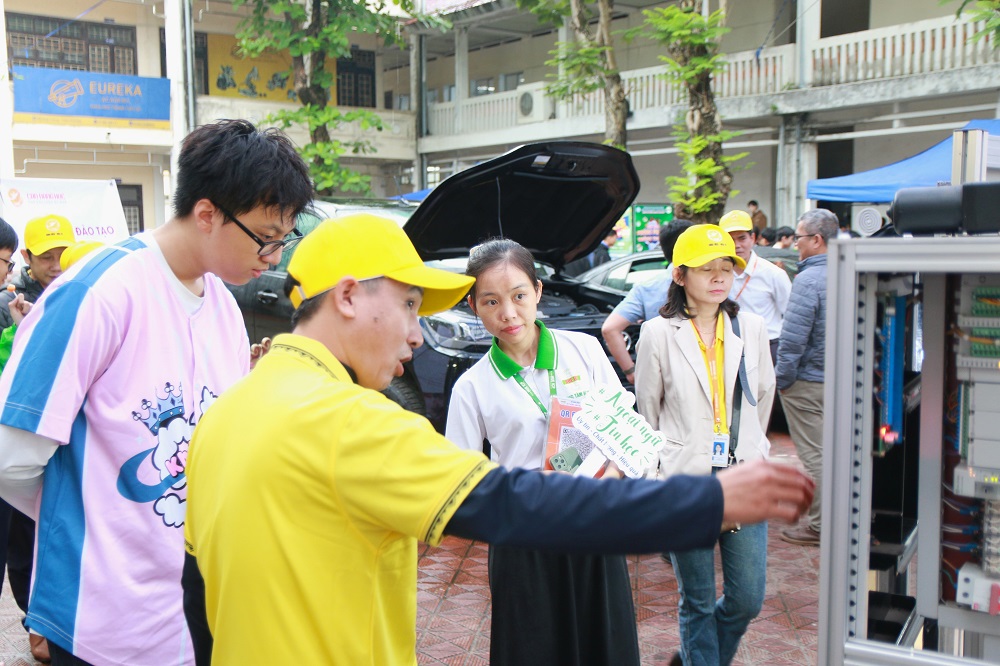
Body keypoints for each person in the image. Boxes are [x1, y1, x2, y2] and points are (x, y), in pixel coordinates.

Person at [181, 214, 814, 665]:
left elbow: (198, 591)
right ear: (348, 296)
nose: (418, 335)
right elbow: (507, 501)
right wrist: (707, 502)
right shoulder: (357, 423)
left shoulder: (224, 415)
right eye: (408, 305)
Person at [0, 119, 313, 666]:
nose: (274, 258)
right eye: (266, 238)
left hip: (192, 612)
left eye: (283, 240)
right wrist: (94, 519)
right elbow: (12, 455)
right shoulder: (98, 292)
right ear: (209, 213)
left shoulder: (222, 306)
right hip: (102, 617)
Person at [446, 238, 639, 665]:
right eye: (491, 301)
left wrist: (609, 481)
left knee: (604, 647)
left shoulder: (584, 351)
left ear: (538, 291)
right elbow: (460, 483)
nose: (508, 313)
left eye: (518, 296)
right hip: (525, 540)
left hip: (595, 524)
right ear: (474, 306)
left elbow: (627, 431)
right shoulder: (472, 387)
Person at [635, 224, 776, 666]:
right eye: (706, 269)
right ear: (679, 276)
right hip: (685, 482)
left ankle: (697, 656)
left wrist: (751, 446)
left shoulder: (749, 327)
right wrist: (659, 476)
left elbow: (765, 394)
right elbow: (648, 411)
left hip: (743, 477)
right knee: (695, 600)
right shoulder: (657, 333)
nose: (719, 277)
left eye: (726, 268)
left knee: (747, 599)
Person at [776, 208, 837, 547]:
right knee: (834, 453)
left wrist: (783, 380)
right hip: (842, 380)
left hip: (808, 381)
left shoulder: (809, 280)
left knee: (814, 456)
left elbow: (793, 338)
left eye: (799, 238)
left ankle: (819, 527)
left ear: (816, 240)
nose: (795, 244)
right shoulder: (850, 273)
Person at [601, 218, 695, 383]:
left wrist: (631, 372)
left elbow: (610, 329)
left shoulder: (646, 288)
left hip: (660, 378)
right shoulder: (715, 284)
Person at [718, 210, 791, 364]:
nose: (737, 245)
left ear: (753, 238)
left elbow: (790, 316)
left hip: (767, 347)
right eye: (730, 239)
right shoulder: (716, 274)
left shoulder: (773, 274)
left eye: (742, 238)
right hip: (727, 348)